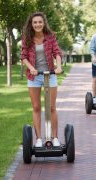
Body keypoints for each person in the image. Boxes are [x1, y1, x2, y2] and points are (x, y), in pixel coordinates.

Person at [21, 12, 63, 147]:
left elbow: (57, 53)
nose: (37, 24)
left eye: (40, 22)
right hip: (34, 76)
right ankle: (39, 139)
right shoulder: (27, 38)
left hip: (50, 74)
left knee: (51, 107)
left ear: (43, 23)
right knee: (36, 107)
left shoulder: (50, 37)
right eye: (35, 22)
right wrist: (31, 68)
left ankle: (54, 138)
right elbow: (23, 56)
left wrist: (59, 67)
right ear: (31, 24)